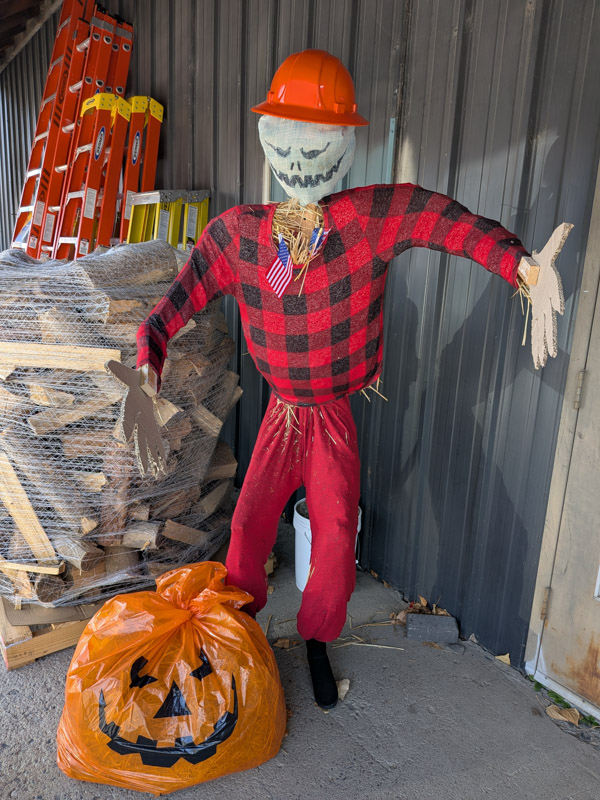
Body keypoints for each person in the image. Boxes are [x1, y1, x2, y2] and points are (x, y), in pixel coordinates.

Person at [126, 50, 569, 710]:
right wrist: (145, 360)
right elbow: (181, 295)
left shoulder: (368, 219)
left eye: (317, 139)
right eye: (291, 137)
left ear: (342, 146)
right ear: (270, 140)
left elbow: (444, 220)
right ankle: (239, 630)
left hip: (331, 414)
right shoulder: (239, 235)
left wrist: (521, 268)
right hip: (280, 412)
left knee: (335, 539)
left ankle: (315, 639)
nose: (303, 153)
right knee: (247, 530)